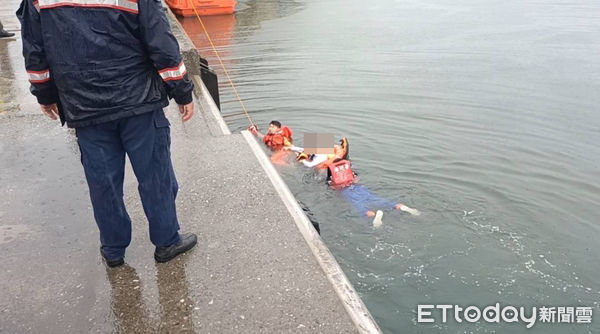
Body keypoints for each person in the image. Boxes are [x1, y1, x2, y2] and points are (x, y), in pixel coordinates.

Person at [17, 0, 197, 267]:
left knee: (104, 184)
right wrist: (181, 90)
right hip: (138, 102)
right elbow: (160, 41)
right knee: (155, 175)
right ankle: (167, 241)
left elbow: (35, 48)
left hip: (85, 106)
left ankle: (113, 250)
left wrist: (45, 94)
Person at [294, 138, 420, 218]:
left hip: (344, 189)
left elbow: (329, 182)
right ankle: (399, 206)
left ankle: (369, 214)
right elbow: (355, 177)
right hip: (355, 185)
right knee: (373, 197)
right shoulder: (343, 163)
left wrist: (299, 156)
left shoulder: (324, 166)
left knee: (357, 204)